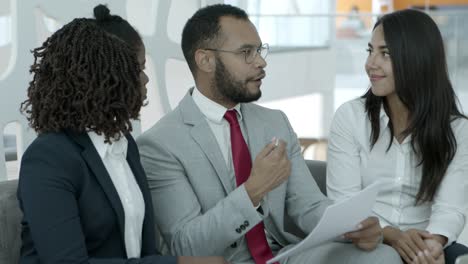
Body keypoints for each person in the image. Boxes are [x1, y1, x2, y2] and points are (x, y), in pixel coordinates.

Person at [137, 4, 401, 264]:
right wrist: (253, 191)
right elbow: (188, 245)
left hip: (282, 255)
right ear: (205, 60)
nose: (261, 62)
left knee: (382, 256)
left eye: (259, 50)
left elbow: (307, 206)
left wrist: (350, 227)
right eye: (246, 53)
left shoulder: (274, 122)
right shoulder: (160, 144)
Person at [17, 5, 225, 264]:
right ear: (105, 76)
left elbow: (143, 252)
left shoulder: (124, 143)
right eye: (138, 68)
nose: (146, 79)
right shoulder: (49, 158)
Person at [326, 9, 468, 264]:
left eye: (386, 53)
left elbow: (450, 208)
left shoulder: (457, 130)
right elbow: (344, 207)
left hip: (423, 240)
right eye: (370, 51)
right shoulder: (350, 118)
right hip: (365, 242)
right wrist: (392, 235)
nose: (371, 63)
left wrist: (433, 246)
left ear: (417, 59)